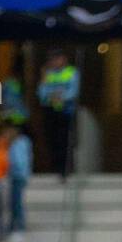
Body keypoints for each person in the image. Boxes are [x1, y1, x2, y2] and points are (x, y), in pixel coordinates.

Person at [36, 49, 79, 179]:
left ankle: (65, 170)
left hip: (65, 112)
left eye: (57, 59)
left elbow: (73, 92)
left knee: (65, 140)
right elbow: (41, 93)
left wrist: (60, 97)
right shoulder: (48, 74)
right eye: (52, 59)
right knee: (52, 140)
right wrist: (51, 96)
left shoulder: (71, 73)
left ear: (63, 59)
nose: (54, 62)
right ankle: (55, 168)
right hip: (50, 111)